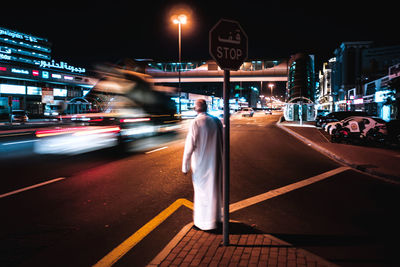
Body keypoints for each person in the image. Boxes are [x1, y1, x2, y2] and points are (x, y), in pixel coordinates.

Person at [182, 99, 223, 231]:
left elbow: (189, 147)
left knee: (201, 193)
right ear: (207, 107)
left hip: (200, 164)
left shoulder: (195, 122)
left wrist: (185, 166)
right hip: (216, 163)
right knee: (214, 191)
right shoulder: (216, 121)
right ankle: (215, 219)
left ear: (196, 109)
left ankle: (203, 223)